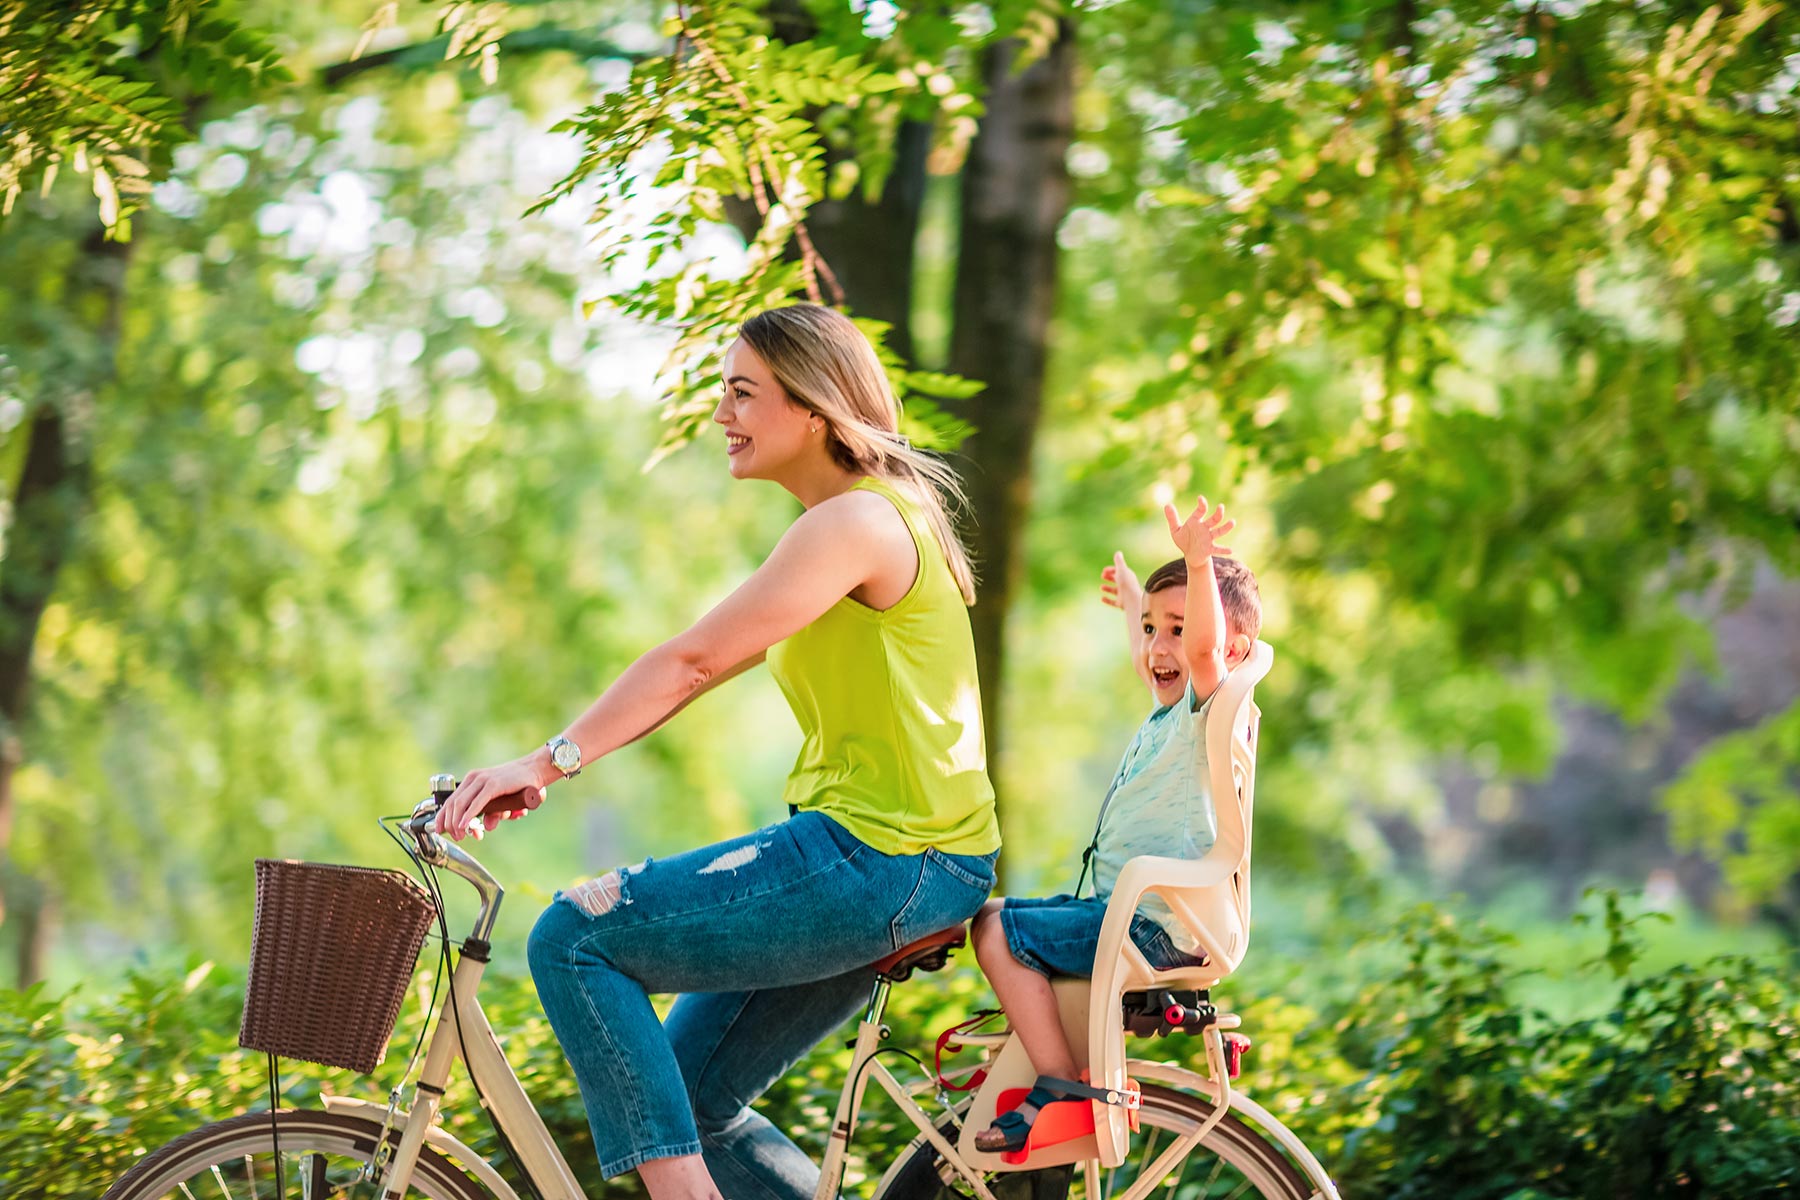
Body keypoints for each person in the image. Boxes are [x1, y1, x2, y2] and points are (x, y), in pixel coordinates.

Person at [433, 304, 1000, 1200]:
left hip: (884, 855)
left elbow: (692, 663)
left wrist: (542, 764)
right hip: (903, 859)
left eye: (742, 393)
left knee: (575, 937)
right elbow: (696, 668)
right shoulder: (868, 520)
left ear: (813, 408)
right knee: (693, 1100)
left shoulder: (856, 524)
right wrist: (557, 761)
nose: (720, 415)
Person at [966, 497, 1261, 1154]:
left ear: (1229, 650)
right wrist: (1137, 602)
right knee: (998, 916)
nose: (1158, 646)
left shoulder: (1208, 707)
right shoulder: (1173, 709)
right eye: (1155, 629)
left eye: (1176, 630)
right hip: (1137, 916)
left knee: (994, 930)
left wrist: (1196, 558)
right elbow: (1147, 654)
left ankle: (1057, 1081)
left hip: (1150, 926)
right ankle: (1057, 1068)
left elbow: (1205, 648)